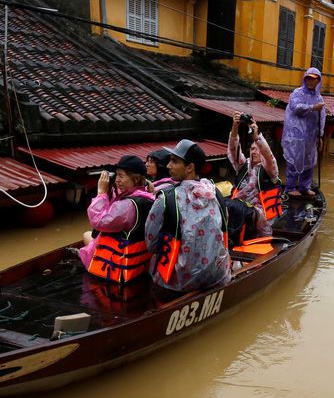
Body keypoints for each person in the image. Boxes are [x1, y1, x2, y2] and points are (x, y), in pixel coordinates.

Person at [145, 139, 231, 292]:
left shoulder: (165, 198)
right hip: (217, 274)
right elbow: (225, 223)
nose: (168, 166)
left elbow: (150, 242)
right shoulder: (215, 193)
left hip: (179, 282)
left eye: (174, 161)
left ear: (190, 167)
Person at [79, 155, 156, 283]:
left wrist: (101, 193)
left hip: (117, 263)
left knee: (86, 235)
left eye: (121, 176)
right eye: (116, 175)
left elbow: (98, 222)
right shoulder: (148, 196)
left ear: (136, 179)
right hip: (138, 259)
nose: (117, 180)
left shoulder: (127, 205)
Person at [228, 111, 282, 240]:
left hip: (259, 212)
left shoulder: (269, 169)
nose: (255, 151)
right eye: (252, 149)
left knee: (240, 211)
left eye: (257, 149)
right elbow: (233, 150)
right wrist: (235, 127)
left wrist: (256, 137)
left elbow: (269, 157)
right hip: (240, 206)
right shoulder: (243, 166)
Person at [282, 67, 326, 197]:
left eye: (313, 79)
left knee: (309, 161)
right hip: (296, 135)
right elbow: (296, 108)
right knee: (294, 160)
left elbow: (321, 118)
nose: (310, 82)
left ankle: (304, 187)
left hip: (310, 137)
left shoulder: (319, 98)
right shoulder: (297, 93)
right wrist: (312, 107)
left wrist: (320, 136)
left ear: (318, 81)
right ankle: (289, 188)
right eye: (308, 79)